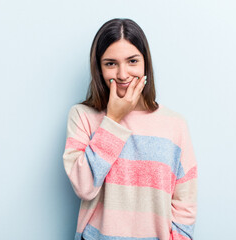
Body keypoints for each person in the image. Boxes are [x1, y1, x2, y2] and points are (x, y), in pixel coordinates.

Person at [62, 18, 198, 240]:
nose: (123, 74)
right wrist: (113, 119)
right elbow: (84, 187)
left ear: (146, 63)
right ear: (99, 68)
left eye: (132, 61)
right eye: (111, 63)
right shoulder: (82, 116)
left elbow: (186, 203)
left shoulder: (175, 124)